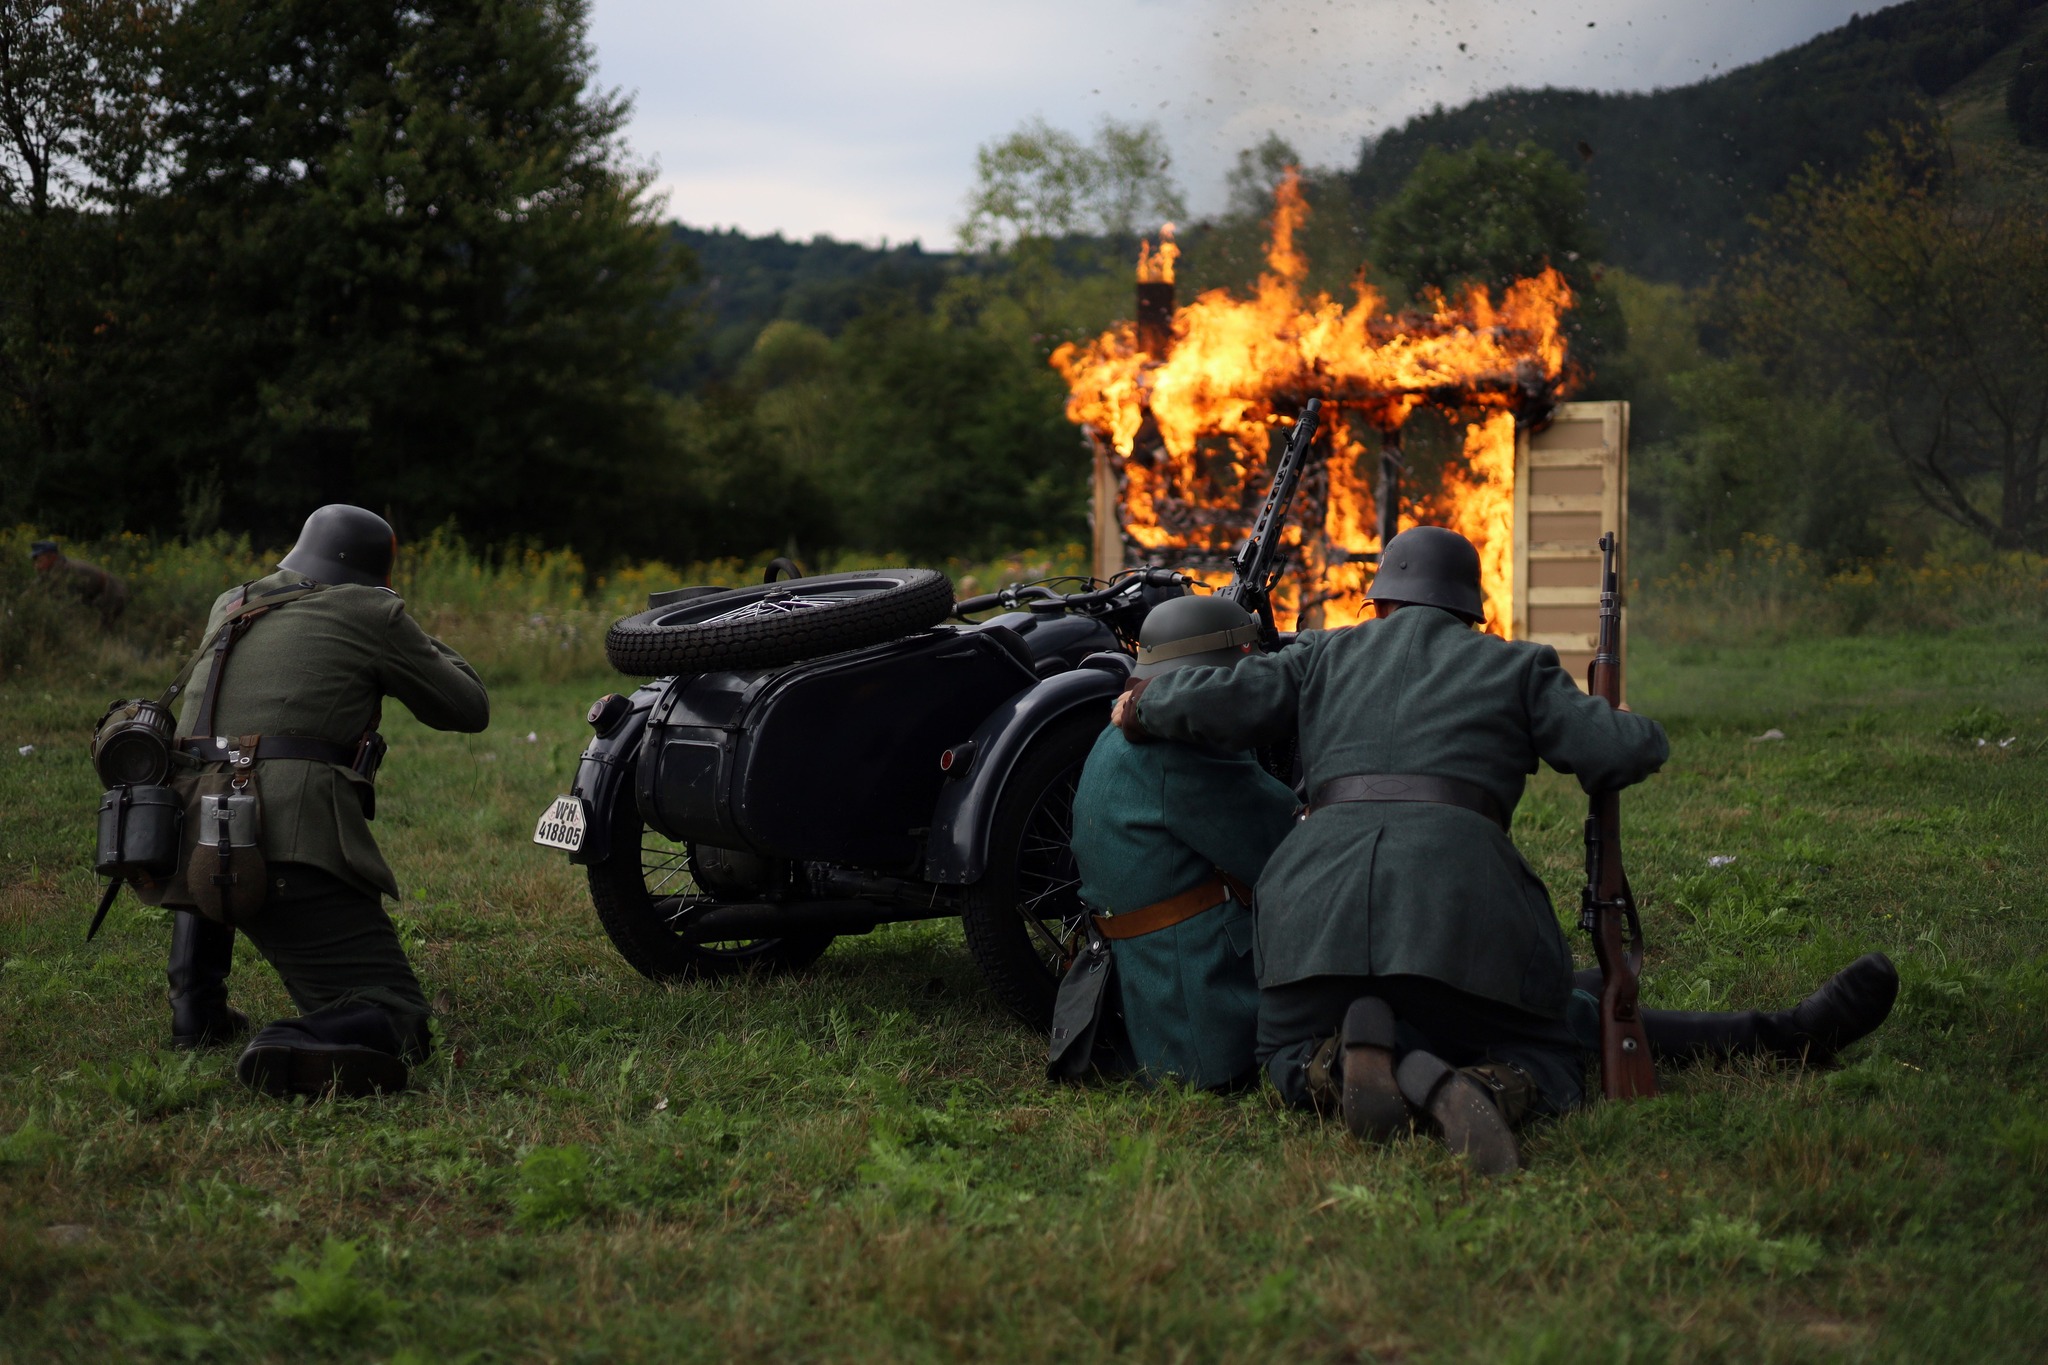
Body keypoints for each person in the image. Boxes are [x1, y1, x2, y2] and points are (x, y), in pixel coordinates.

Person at [1108, 527, 1895, 1171]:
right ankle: (1488, 1084)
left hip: (1312, 920)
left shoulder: (1324, 652)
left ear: (1379, 601)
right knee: (1552, 1043)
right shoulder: (1517, 664)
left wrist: (1143, 709)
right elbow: (1625, 750)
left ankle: (1341, 1067)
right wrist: (1622, 714)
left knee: (1281, 1048)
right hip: (1459, 916)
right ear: (1471, 611)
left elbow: (1222, 696)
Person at [161, 504, 489, 1097]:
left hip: (183, 840)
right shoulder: (371, 611)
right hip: (284, 843)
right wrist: (398, 619)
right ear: (374, 575)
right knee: (398, 1018)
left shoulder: (234, 601)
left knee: (219, 798)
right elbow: (468, 706)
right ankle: (282, 1045)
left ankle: (196, 1010)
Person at [32, 538, 128, 627]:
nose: (37, 566)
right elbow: (35, 587)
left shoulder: (66, 571)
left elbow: (67, 605)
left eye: (40, 561)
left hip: (112, 593)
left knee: (101, 632)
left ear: (52, 558)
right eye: (36, 562)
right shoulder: (53, 568)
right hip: (96, 595)